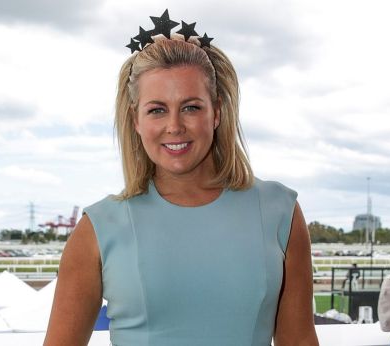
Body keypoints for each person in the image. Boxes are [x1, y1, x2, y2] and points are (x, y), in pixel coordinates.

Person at [44, 10, 318, 346]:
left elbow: (300, 341)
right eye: (157, 109)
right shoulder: (97, 230)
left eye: (190, 107)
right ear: (136, 120)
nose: (174, 126)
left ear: (216, 112)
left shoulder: (280, 212)